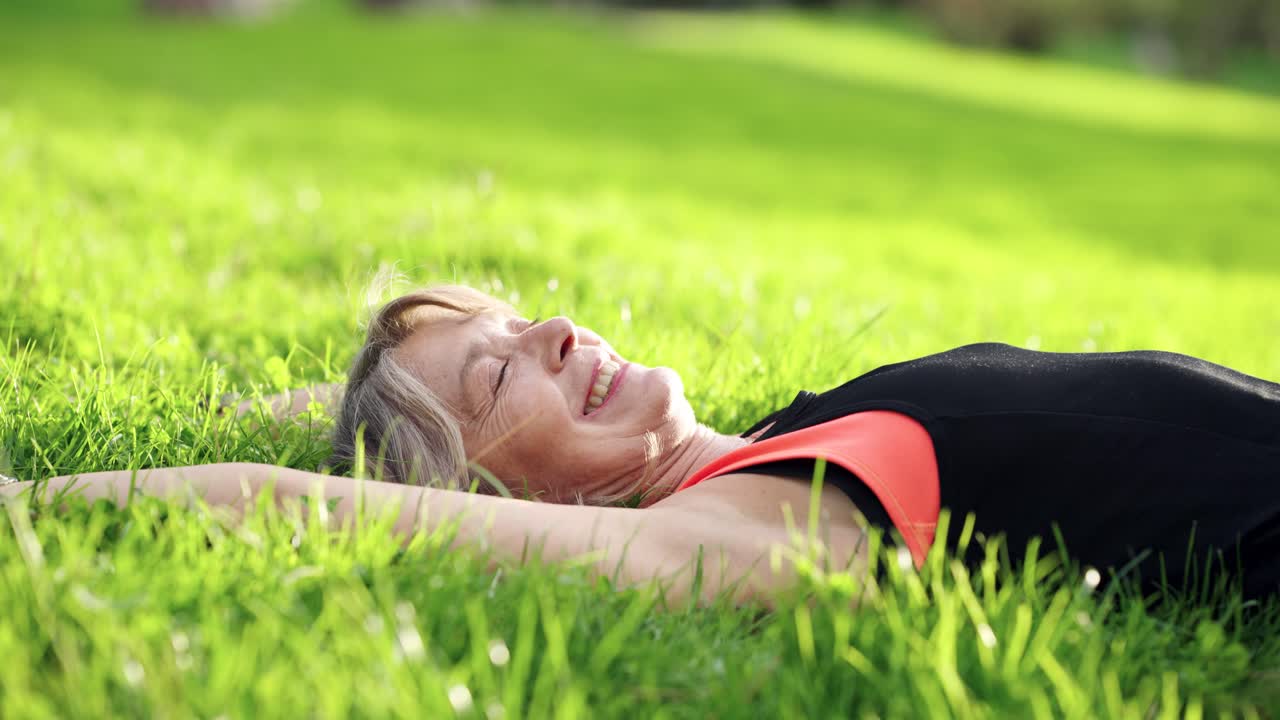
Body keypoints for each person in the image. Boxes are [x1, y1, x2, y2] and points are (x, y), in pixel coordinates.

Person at [5, 285, 1279, 605]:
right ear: (482, 487)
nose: (560, 325)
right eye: (505, 365)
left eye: (519, 317)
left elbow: (320, 440)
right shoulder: (753, 518)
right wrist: (42, 493)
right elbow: (301, 502)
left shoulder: (776, 436)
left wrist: (282, 403)